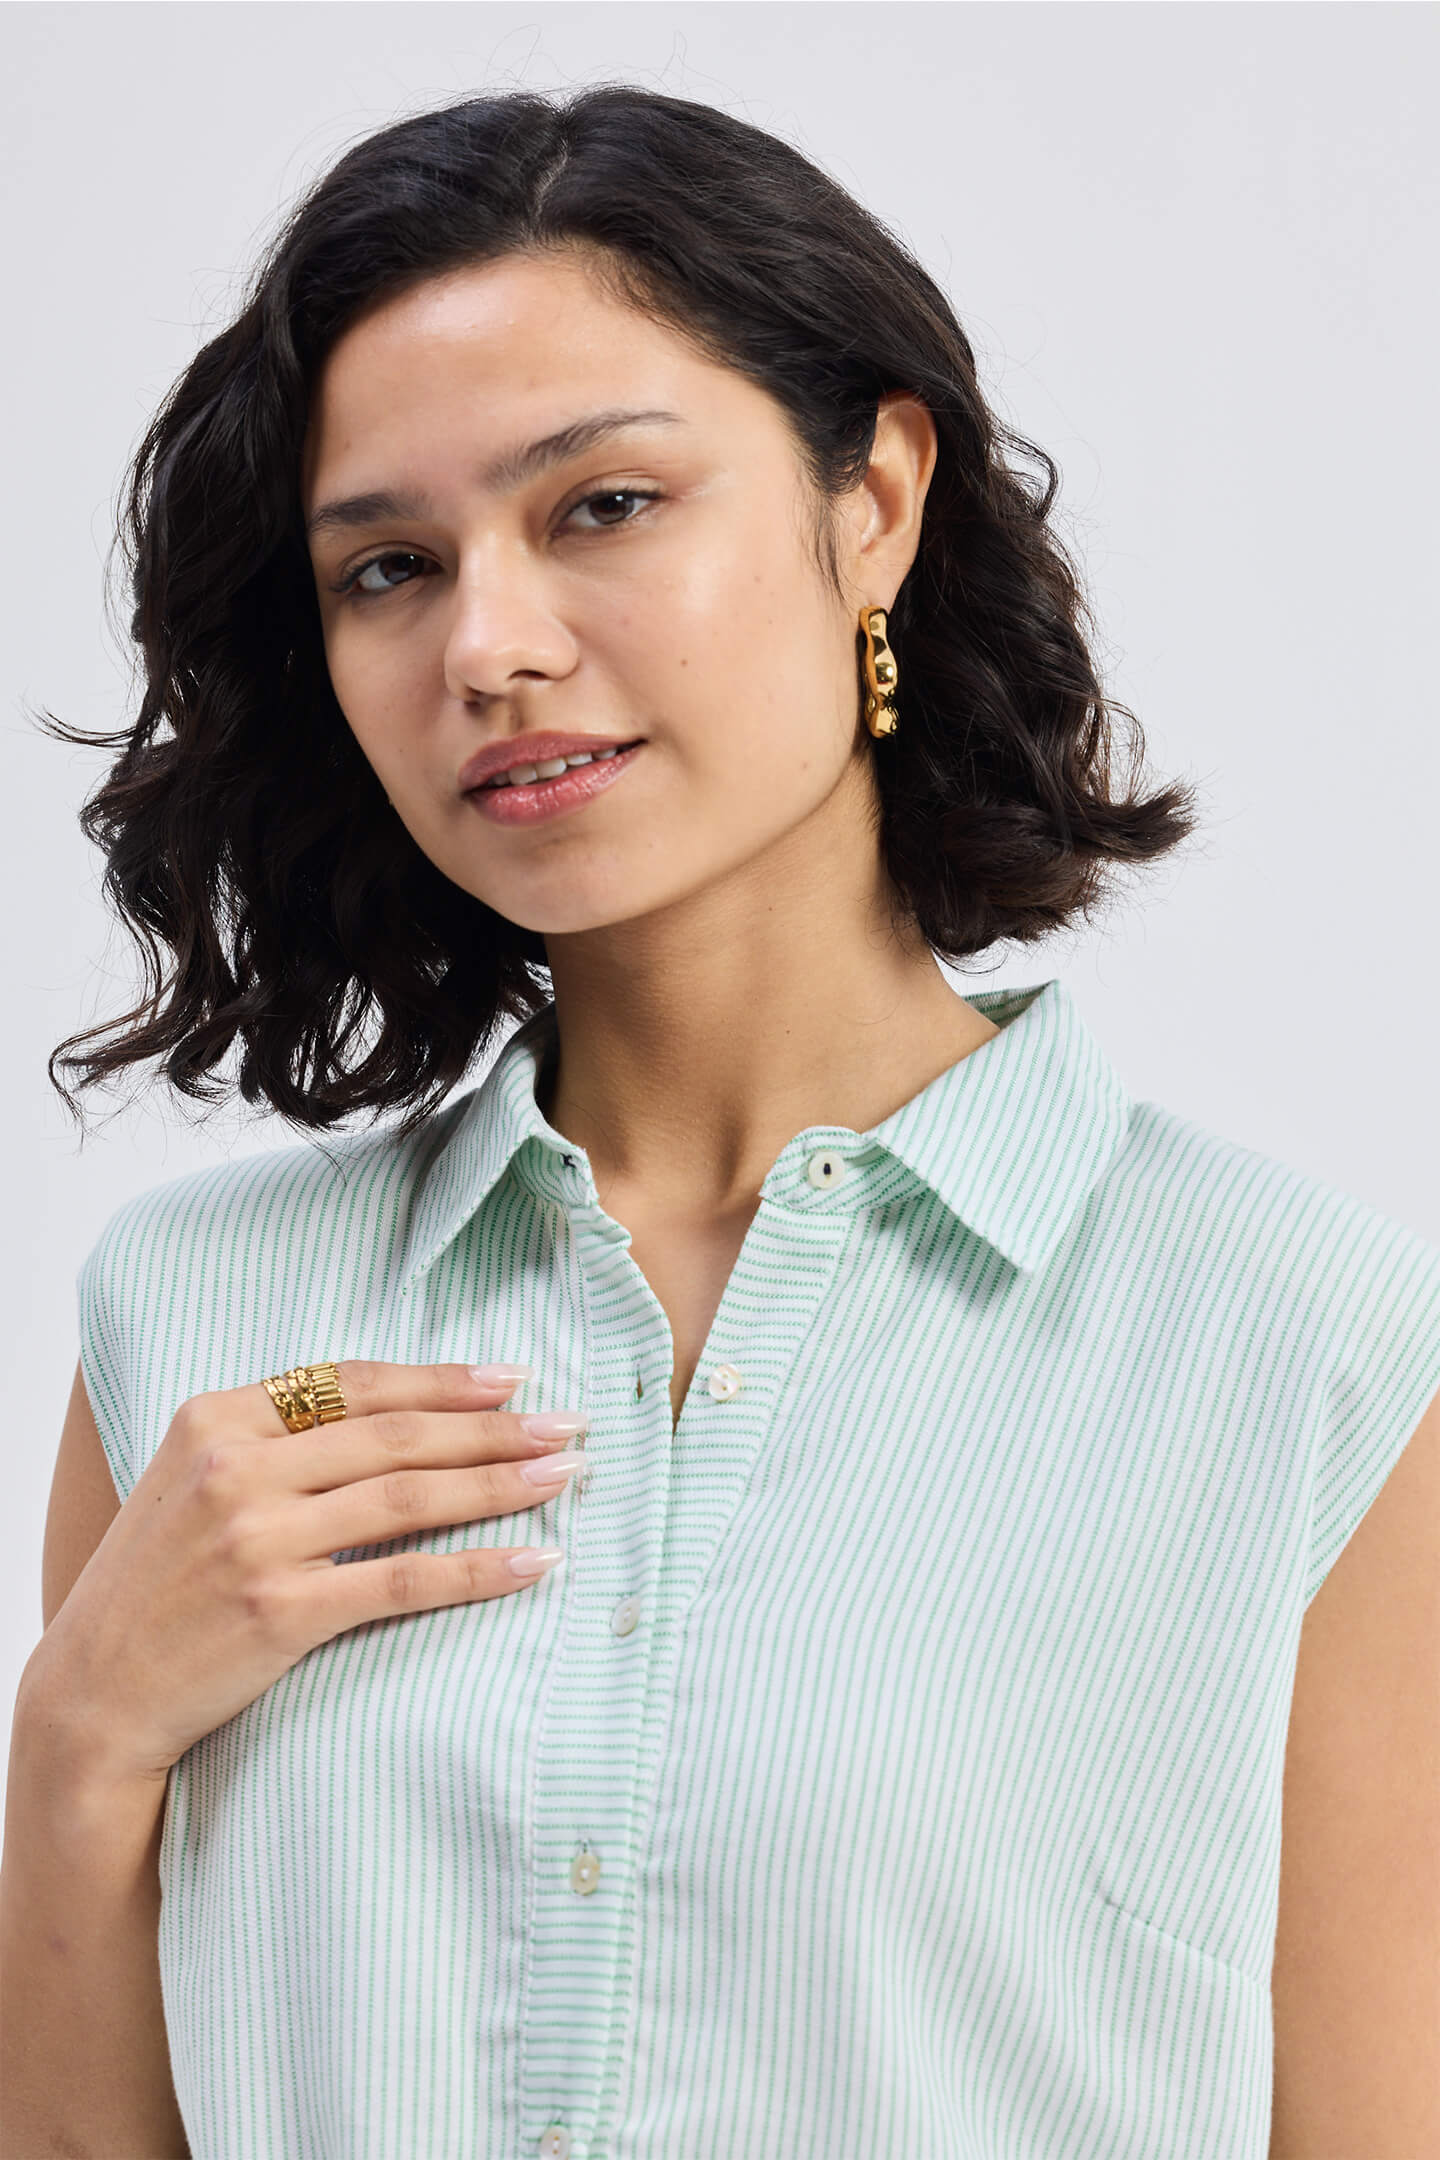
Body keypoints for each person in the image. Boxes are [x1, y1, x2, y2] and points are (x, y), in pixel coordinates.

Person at [3, 83, 1436, 2160]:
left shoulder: (1299, 1352)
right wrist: (77, 1741)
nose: (487, 643)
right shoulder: (207, 1321)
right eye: (390, 565)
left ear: (873, 504)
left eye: (600, 505)